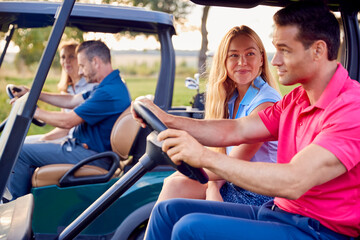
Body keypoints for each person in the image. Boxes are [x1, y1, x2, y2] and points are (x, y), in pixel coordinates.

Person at [133, 2, 360, 239]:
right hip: (280, 213)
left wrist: (202, 157)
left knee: (190, 228)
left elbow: (294, 180)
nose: (275, 61)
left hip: (319, 230)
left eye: (285, 50)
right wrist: (166, 119)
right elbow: (238, 129)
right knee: (168, 211)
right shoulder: (296, 99)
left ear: (318, 50)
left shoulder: (351, 109)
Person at [157, 25, 281, 206]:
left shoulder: (265, 104)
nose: (242, 62)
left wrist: (213, 188)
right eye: (234, 55)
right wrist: (212, 186)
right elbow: (223, 159)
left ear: (262, 59)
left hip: (260, 194)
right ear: (224, 61)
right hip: (236, 181)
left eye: (250, 54)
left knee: (175, 186)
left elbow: (233, 164)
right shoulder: (232, 99)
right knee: (172, 182)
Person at [8, 40, 131, 200]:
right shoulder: (108, 85)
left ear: (95, 62)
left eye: (82, 65)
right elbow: (72, 100)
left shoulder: (108, 92)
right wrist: (32, 93)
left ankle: (16, 210)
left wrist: (31, 110)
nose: (80, 71)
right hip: (83, 149)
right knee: (25, 148)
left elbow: (68, 121)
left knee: (20, 151)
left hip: (91, 156)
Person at [25, 41, 98, 143]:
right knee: (24, 141)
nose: (66, 61)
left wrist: (43, 140)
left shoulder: (90, 88)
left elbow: (67, 124)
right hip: (66, 135)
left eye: (71, 56)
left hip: (78, 139)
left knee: (24, 148)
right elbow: (62, 128)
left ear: (80, 60)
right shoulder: (66, 89)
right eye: (63, 57)